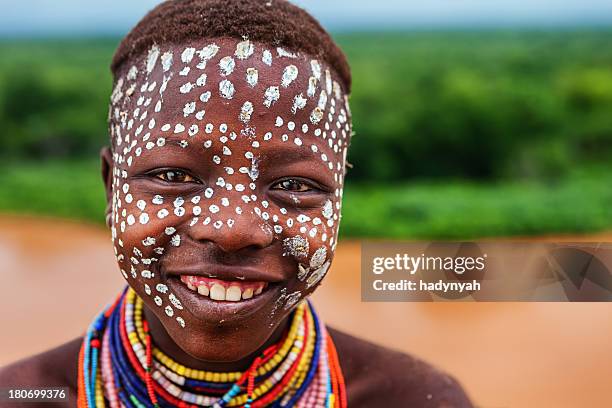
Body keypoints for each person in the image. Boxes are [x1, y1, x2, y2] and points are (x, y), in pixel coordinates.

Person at [0, 1, 473, 406]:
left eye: (295, 185)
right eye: (172, 176)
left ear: (340, 200)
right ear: (112, 188)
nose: (231, 229)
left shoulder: (414, 398)